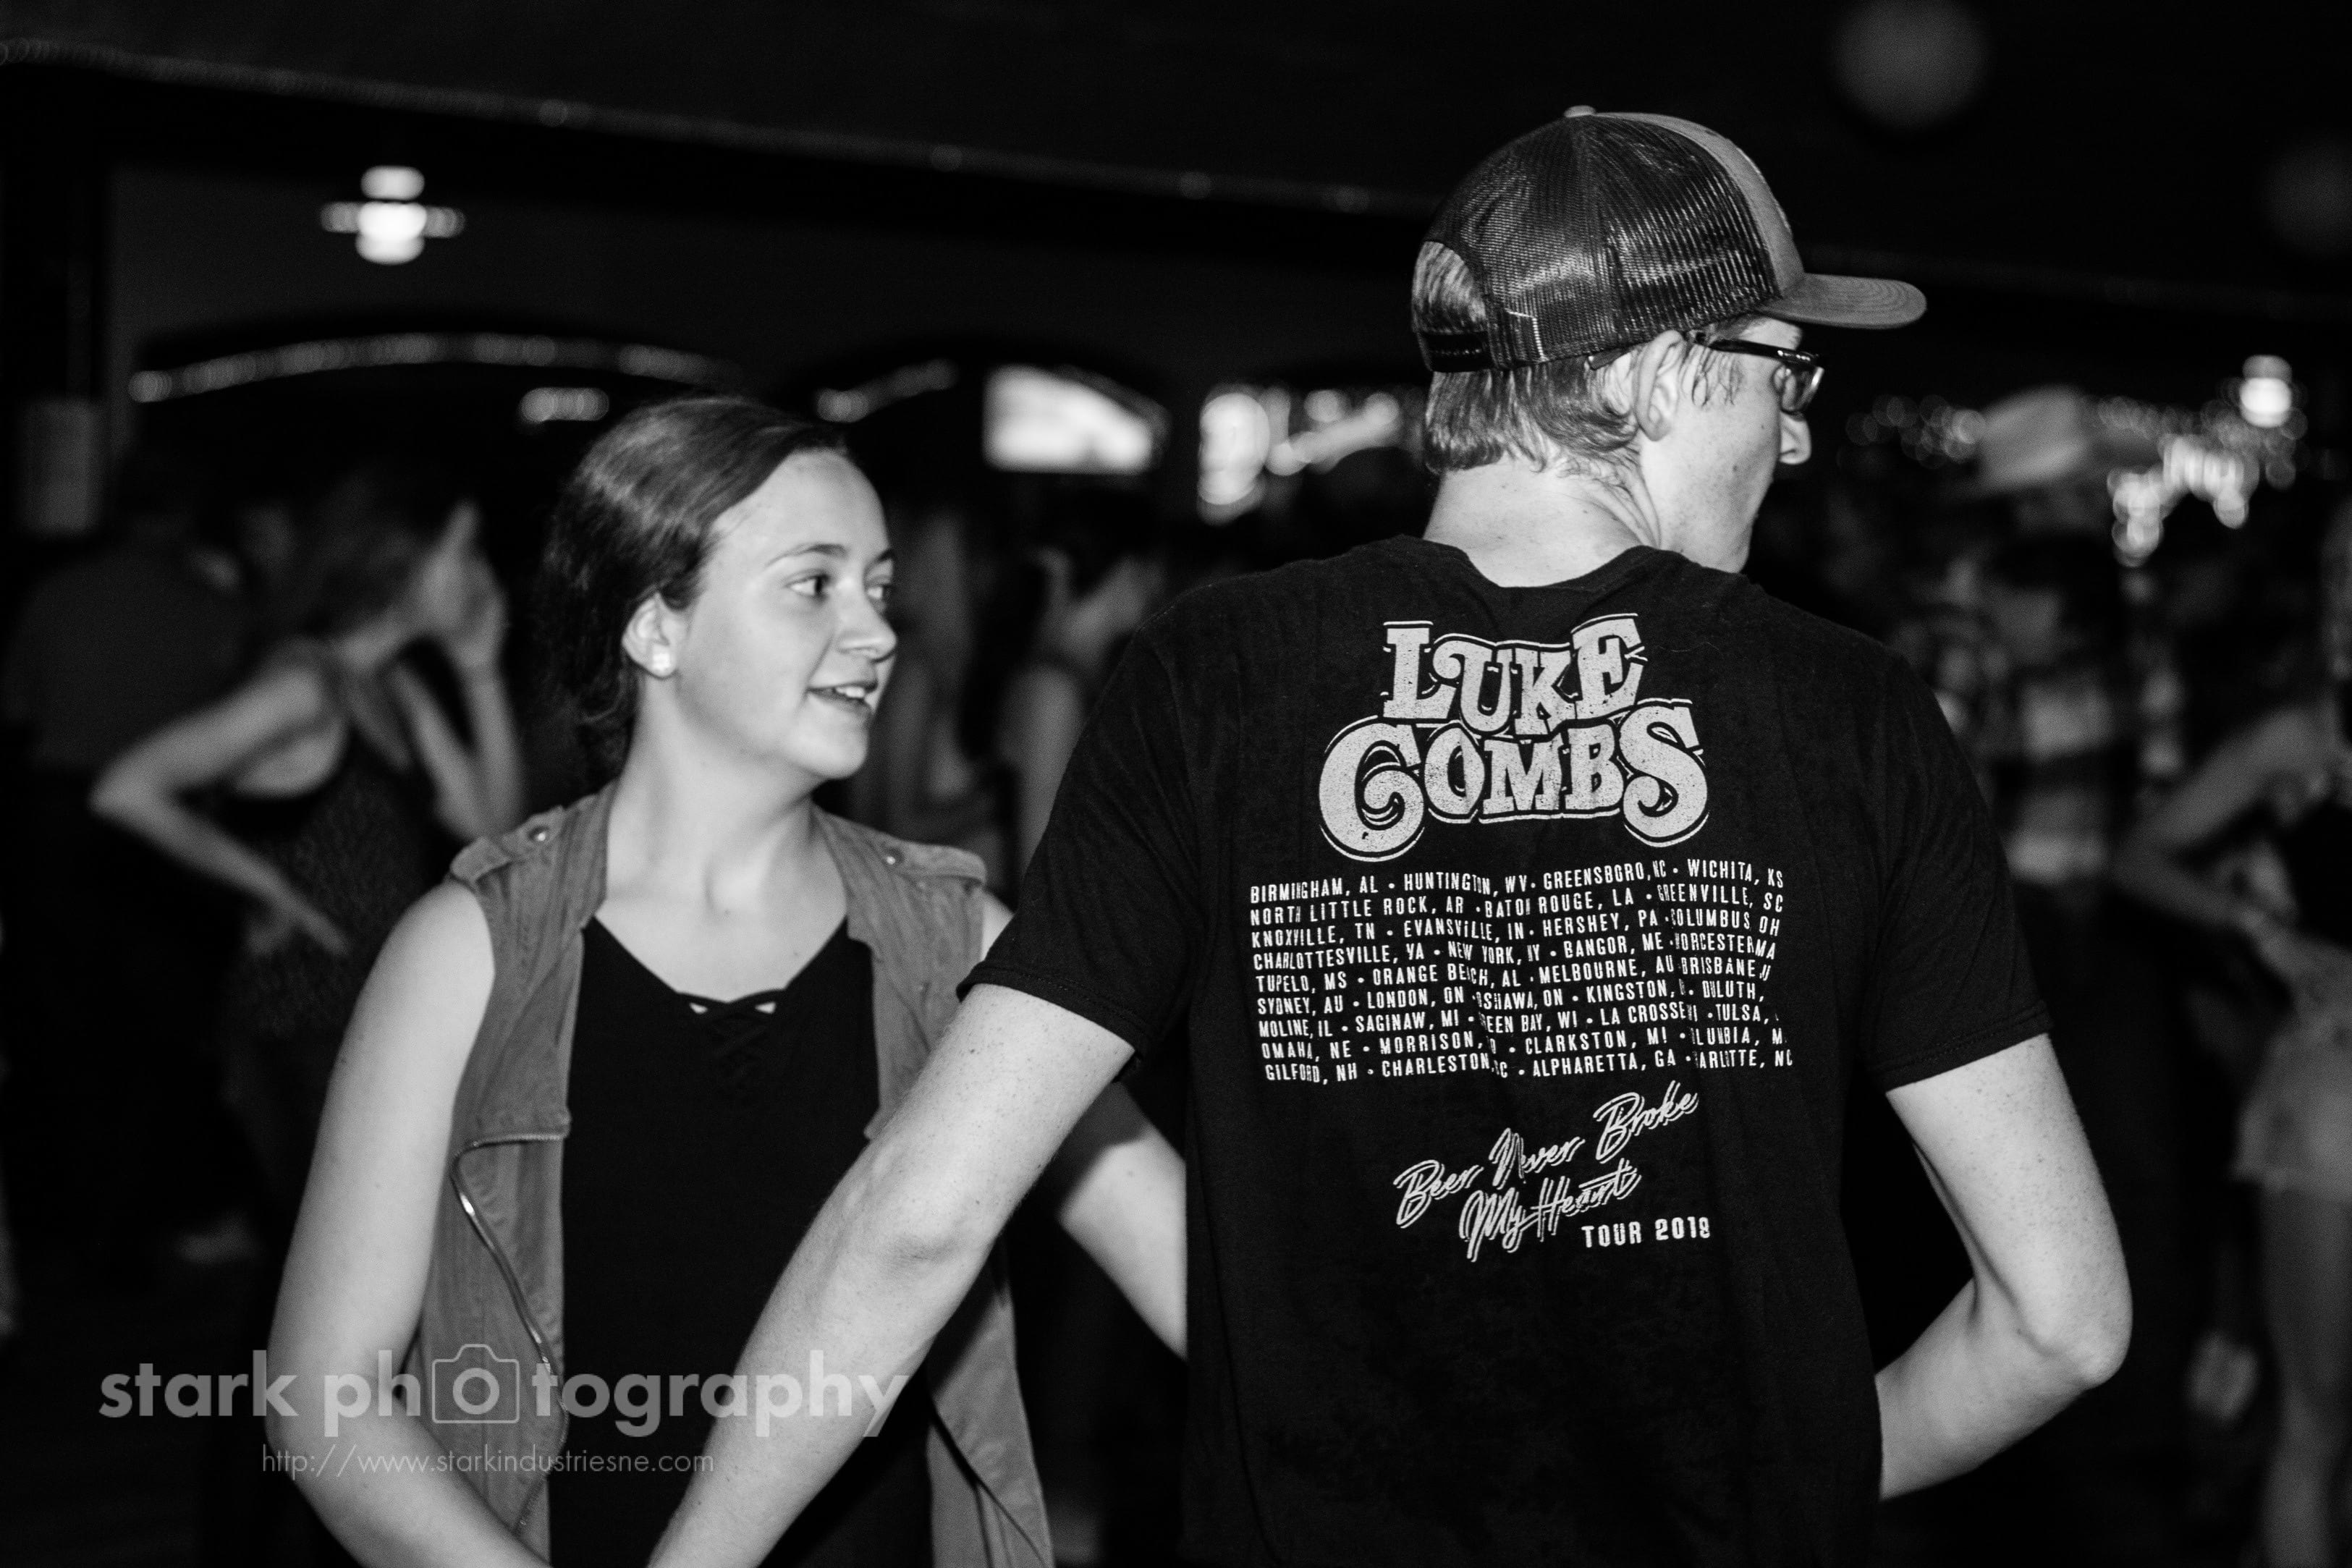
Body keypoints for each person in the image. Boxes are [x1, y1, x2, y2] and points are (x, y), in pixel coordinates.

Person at [652, 110, 2130, 1568]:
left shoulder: (1219, 675)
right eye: (1777, 371)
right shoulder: (1849, 712)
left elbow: (919, 1213)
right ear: (1657, 374)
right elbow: (2062, 1320)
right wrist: (1800, 1474)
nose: (1794, 429)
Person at [261, 397, 1185, 1568]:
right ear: (657, 626)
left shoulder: (957, 942)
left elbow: (1203, 1274)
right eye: (814, 584)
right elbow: (324, 1396)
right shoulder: (472, 951)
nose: (877, 632)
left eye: (880, 587)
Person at [93, 462, 525, 1224]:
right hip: (302, 1019)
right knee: (337, 1253)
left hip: (372, 1011)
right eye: (465, 550)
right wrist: (268, 889)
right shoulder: (304, 685)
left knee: (369, 1254)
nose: (482, 575)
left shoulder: (389, 683)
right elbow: (128, 787)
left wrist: (480, 669)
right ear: (404, 562)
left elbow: (493, 826)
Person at [2113, 499, 2352, 1568]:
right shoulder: (2305, 735)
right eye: (2341, 570)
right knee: (2316, 1415)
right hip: (2333, 1093)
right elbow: (2140, 855)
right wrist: (2263, 931)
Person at [1, 444, 248, 1276]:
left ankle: (70, 1223)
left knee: (64, 1026)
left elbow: (19, 708)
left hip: (62, 819)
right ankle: (131, 1225)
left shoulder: (59, 594)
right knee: (156, 1035)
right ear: (185, 515)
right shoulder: (209, 607)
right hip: (157, 828)